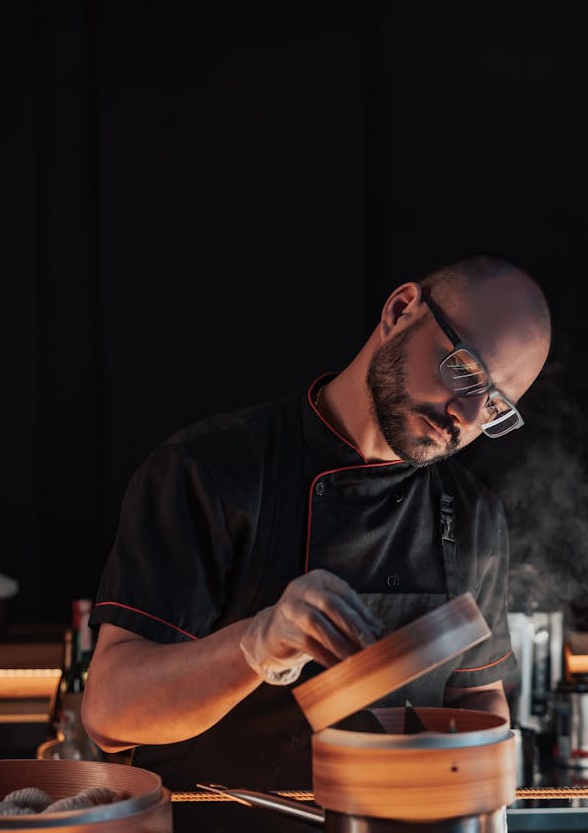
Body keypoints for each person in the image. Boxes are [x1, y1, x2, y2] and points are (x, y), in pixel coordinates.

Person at [82, 254, 551, 791]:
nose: (465, 418)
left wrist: (479, 803)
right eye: (467, 370)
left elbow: (473, 694)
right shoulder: (208, 471)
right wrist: (256, 644)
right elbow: (111, 713)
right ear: (401, 311)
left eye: (494, 407)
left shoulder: (471, 514)